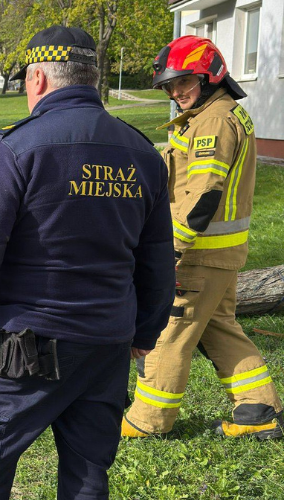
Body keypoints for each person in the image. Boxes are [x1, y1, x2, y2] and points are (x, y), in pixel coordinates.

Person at [0, 25, 175, 500]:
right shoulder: (143, 154)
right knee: (88, 475)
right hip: (106, 345)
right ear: (92, 77)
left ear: (37, 78)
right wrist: (145, 332)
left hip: (23, 350)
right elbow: (158, 259)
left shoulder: (15, 149)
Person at [122, 36, 283, 439]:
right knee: (219, 328)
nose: (176, 93)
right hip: (219, 254)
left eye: (184, 82)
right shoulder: (218, 113)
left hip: (197, 255)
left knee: (168, 333)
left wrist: (170, 251)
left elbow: (203, 193)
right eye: (169, 86)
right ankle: (259, 410)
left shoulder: (212, 121)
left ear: (210, 76)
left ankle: (147, 421)